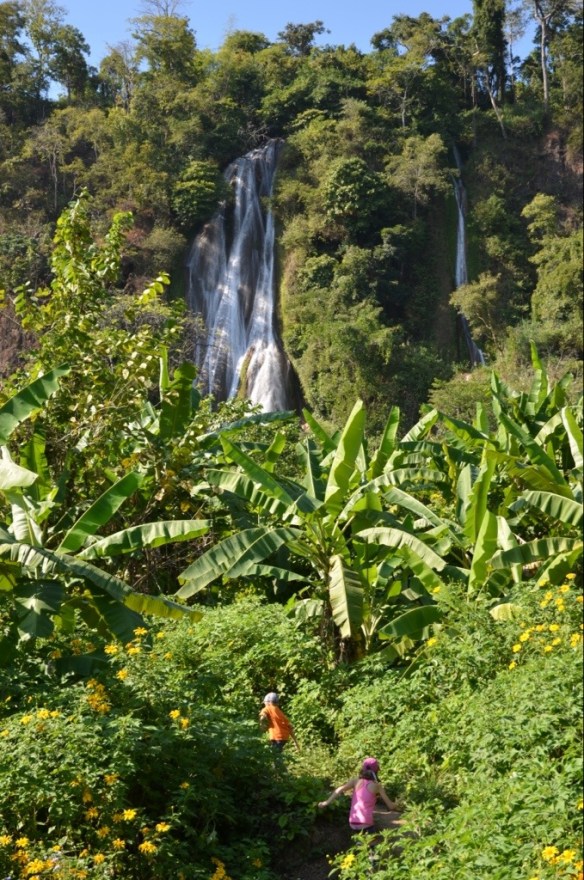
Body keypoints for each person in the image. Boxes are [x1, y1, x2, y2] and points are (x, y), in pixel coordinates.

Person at [318, 757, 398, 833]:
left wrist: (326, 802)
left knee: (360, 841)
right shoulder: (377, 786)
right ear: (377, 770)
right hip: (366, 823)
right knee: (375, 842)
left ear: (363, 769)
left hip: (353, 822)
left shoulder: (355, 781)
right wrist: (399, 801)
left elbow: (339, 789)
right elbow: (391, 806)